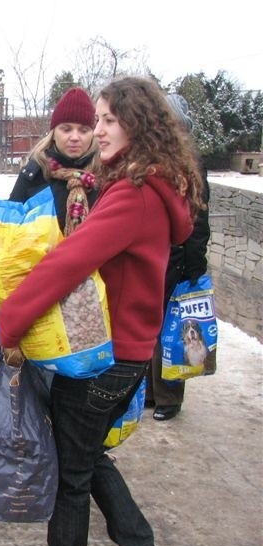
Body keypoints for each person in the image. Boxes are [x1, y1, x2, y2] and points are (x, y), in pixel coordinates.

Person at [0, 76, 203, 546]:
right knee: (85, 453)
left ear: (139, 125)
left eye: (109, 120)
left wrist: (11, 320)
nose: (99, 129)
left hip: (104, 359)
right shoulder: (146, 186)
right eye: (99, 120)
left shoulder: (132, 196)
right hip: (127, 352)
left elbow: (68, 262)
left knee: (71, 468)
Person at [147, 94, 211, 421]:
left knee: (173, 331)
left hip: (179, 258)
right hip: (157, 255)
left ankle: (169, 397)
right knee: (150, 324)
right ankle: (149, 391)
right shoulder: (152, 158)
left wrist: (193, 264)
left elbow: (198, 217)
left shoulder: (189, 162)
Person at [9, 87, 99, 234]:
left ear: (93, 134)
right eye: (66, 129)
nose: (75, 137)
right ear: (53, 133)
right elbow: (11, 225)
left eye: (83, 130)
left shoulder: (104, 175)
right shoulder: (35, 173)